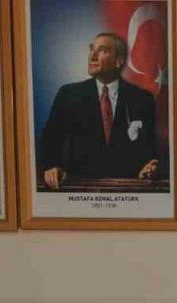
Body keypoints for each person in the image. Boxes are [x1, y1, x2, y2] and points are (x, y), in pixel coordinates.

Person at [37, 32, 159, 190]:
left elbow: (150, 150)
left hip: (127, 190)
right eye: (91, 49)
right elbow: (51, 140)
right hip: (79, 189)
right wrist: (52, 166)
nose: (92, 56)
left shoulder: (142, 99)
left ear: (118, 61)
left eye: (102, 50)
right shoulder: (69, 94)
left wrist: (148, 168)